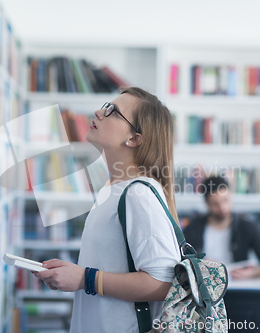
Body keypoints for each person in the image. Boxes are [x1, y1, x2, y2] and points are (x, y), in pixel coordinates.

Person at [34, 87, 181, 332]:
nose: (99, 112)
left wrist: (84, 279)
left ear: (134, 138)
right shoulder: (114, 190)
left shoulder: (138, 194)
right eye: (106, 105)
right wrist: (71, 276)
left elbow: (163, 282)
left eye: (113, 112)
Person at [183, 175, 260, 279]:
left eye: (225, 200)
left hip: (237, 286)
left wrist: (251, 273)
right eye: (215, 203)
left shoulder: (247, 227)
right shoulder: (193, 229)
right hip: (204, 286)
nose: (222, 207)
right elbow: (182, 262)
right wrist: (201, 264)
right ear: (207, 203)